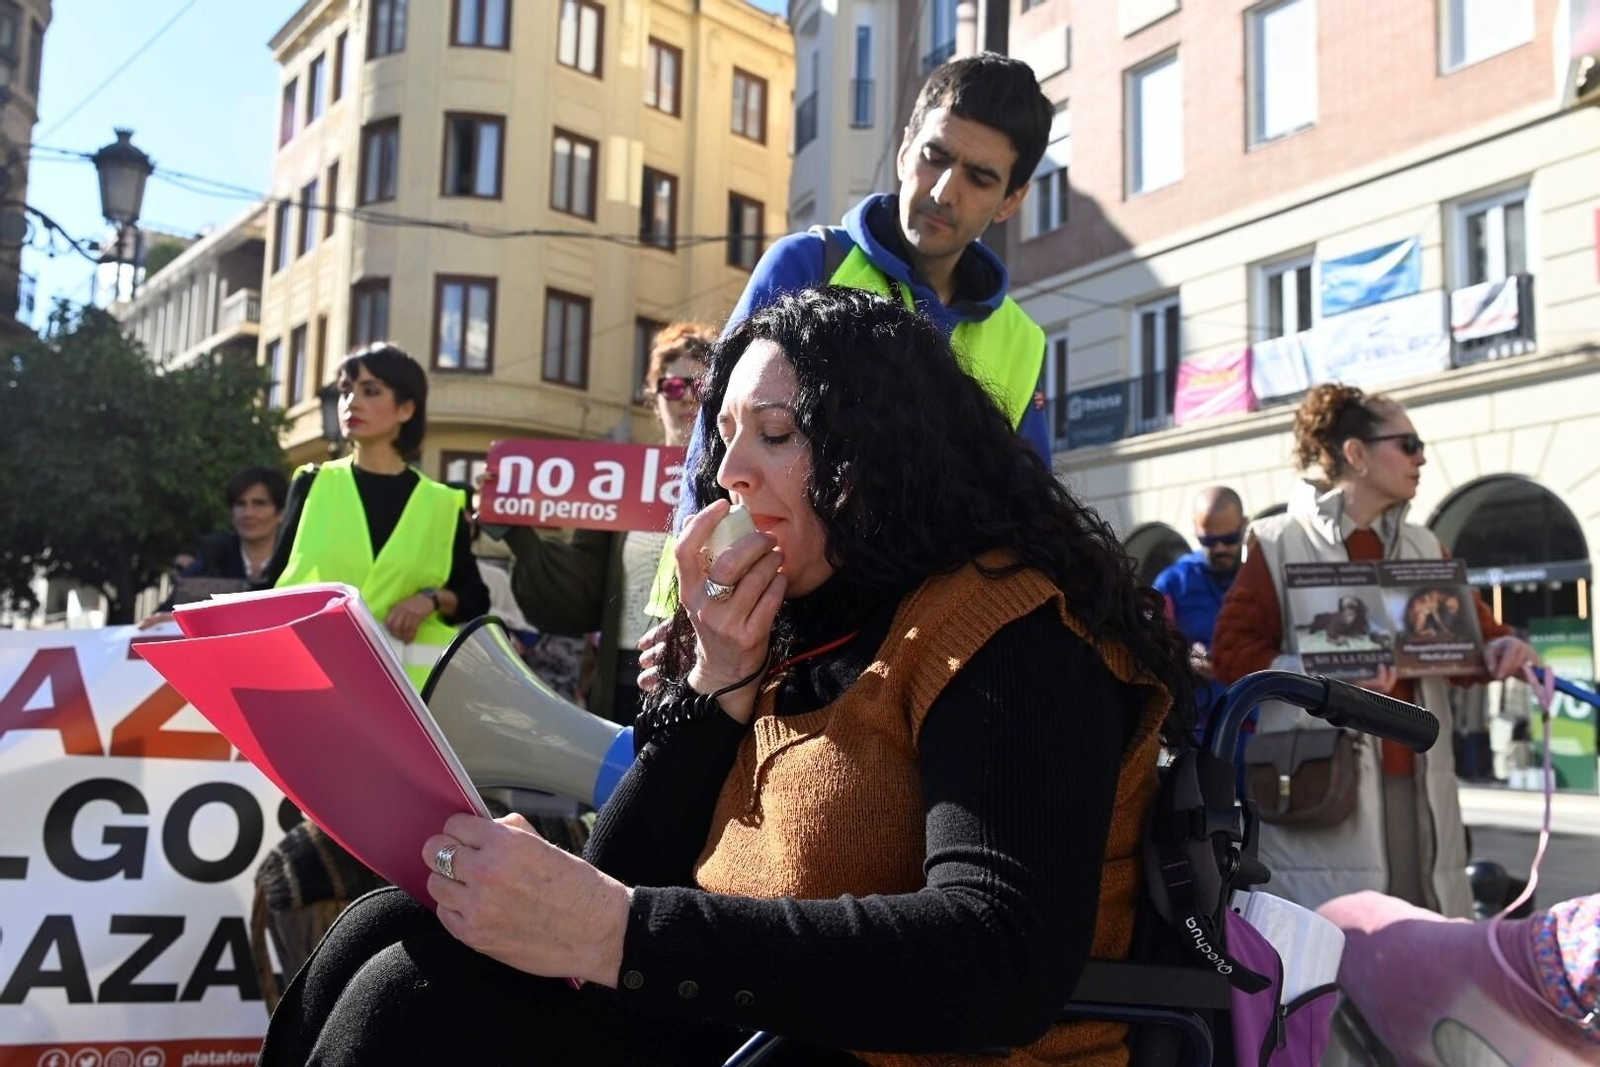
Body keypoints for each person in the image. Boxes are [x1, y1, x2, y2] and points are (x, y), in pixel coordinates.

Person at [258, 287, 1194, 1066]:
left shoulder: (1013, 628)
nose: (730, 472)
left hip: (877, 1051)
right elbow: (619, 876)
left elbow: (1000, 958)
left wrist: (617, 932)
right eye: (726, 432)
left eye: (777, 433)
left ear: (883, 453)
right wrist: (713, 688)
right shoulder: (806, 620)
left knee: (414, 1001)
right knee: (388, 931)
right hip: (744, 1027)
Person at [1211, 383, 1537, 917]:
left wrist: (1508, 649)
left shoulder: (1425, 545)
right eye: (1407, 444)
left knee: (1422, 947)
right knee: (1333, 962)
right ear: (1356, 455)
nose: (1422, 457)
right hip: (1325, 788)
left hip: (1421, 791)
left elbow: (1475, 642)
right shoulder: (1276, 541)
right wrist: (1330, 684)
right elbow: (1232, 654)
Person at [498, 322, 715, 723]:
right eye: (672, 387)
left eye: (701, 387)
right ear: (654, 397)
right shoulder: (623, 480)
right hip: (623, 681)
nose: (686, 397)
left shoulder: (731, 481)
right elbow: (583, 586)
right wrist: (518, 536)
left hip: (702, 680)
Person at [260, 345, 489, 689]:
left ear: (406, 408)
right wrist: (175, 623)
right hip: (313, 682)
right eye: (345, 391)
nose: (352, 402)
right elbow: (267, 587)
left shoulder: (443, 503)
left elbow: (475, 597)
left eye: (370, 391)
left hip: (404, 696)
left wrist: (430, 600)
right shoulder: (312, 484)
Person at [1152, 486, 1245, 728]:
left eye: (1229, 539)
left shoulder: (1259, 577)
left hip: (1259, 726)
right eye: (1210, 541)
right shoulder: (1172, 584)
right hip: (1201, 731)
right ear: (1195, 528)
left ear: (1244, 525)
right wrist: (1185, 657)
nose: (1221, 549)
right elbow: (1152, 651)